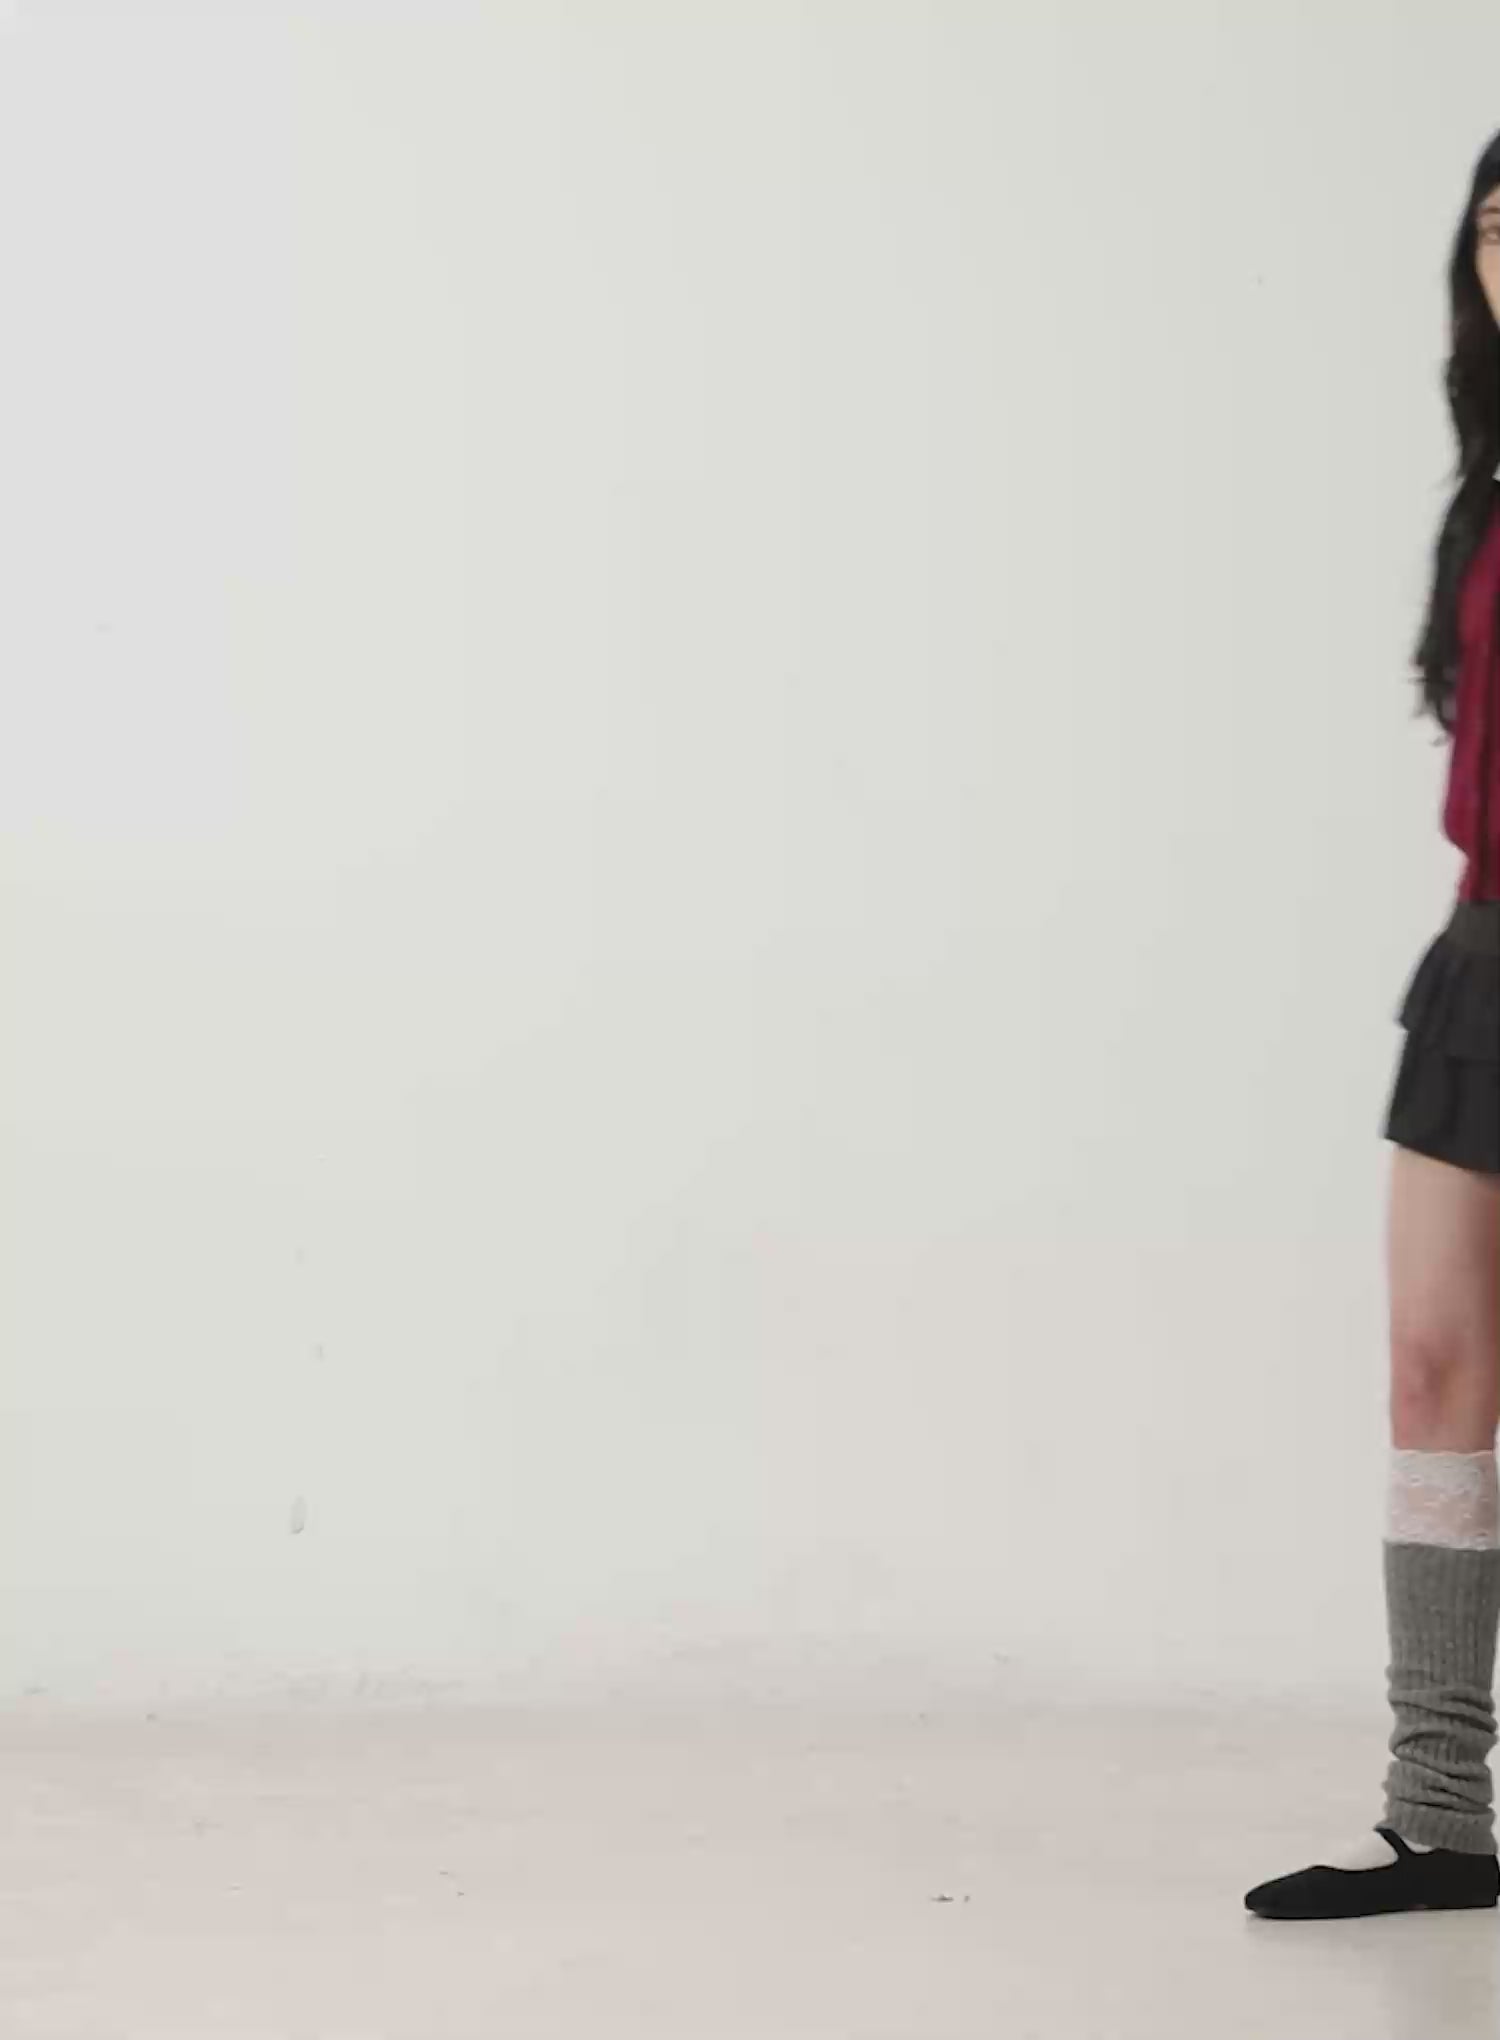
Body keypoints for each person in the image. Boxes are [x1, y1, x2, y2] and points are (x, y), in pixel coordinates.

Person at [1245, 130, 1500, 1922]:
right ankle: (1442, 1816)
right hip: (1482, 959)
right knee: (1432, 1369)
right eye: (1495, 223)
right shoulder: (1487, 484)